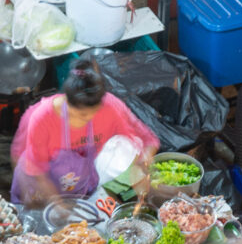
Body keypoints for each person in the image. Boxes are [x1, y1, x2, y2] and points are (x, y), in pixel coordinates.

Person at [10, 58, 159, 205]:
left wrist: (140, 167)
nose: (84, 121)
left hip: (79, 188)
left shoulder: (110, 107)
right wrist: (58, 205)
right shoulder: (41, 118)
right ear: (67, 100)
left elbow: (148, 140)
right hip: (38, 189)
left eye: (92, 113)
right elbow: (35, 171)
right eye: (79, 114)